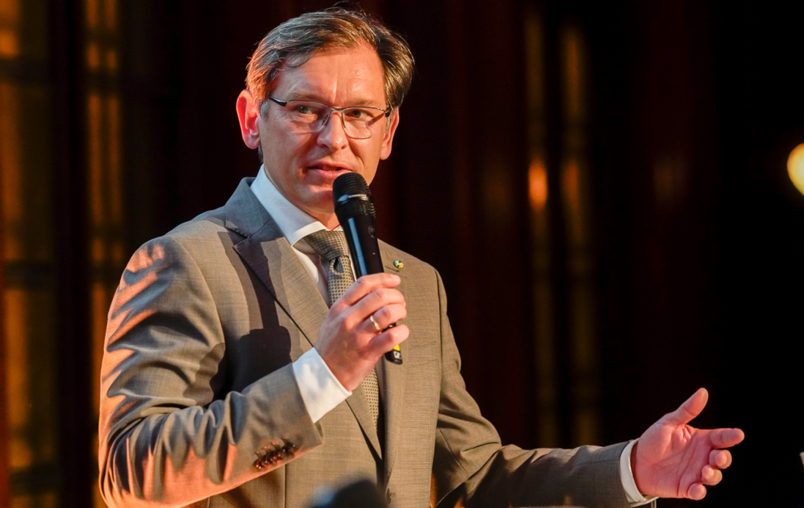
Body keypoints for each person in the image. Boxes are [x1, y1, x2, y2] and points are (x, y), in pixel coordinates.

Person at [97, 7, 744, 507]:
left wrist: (631, 469)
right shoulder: (186, 262)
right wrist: (323, 372)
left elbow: (477, 473)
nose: (335, 138)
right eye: (306, 110)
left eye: (359, 114)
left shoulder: (415, 282)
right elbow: (130, 471)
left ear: (390, 132)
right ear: (250, 118)